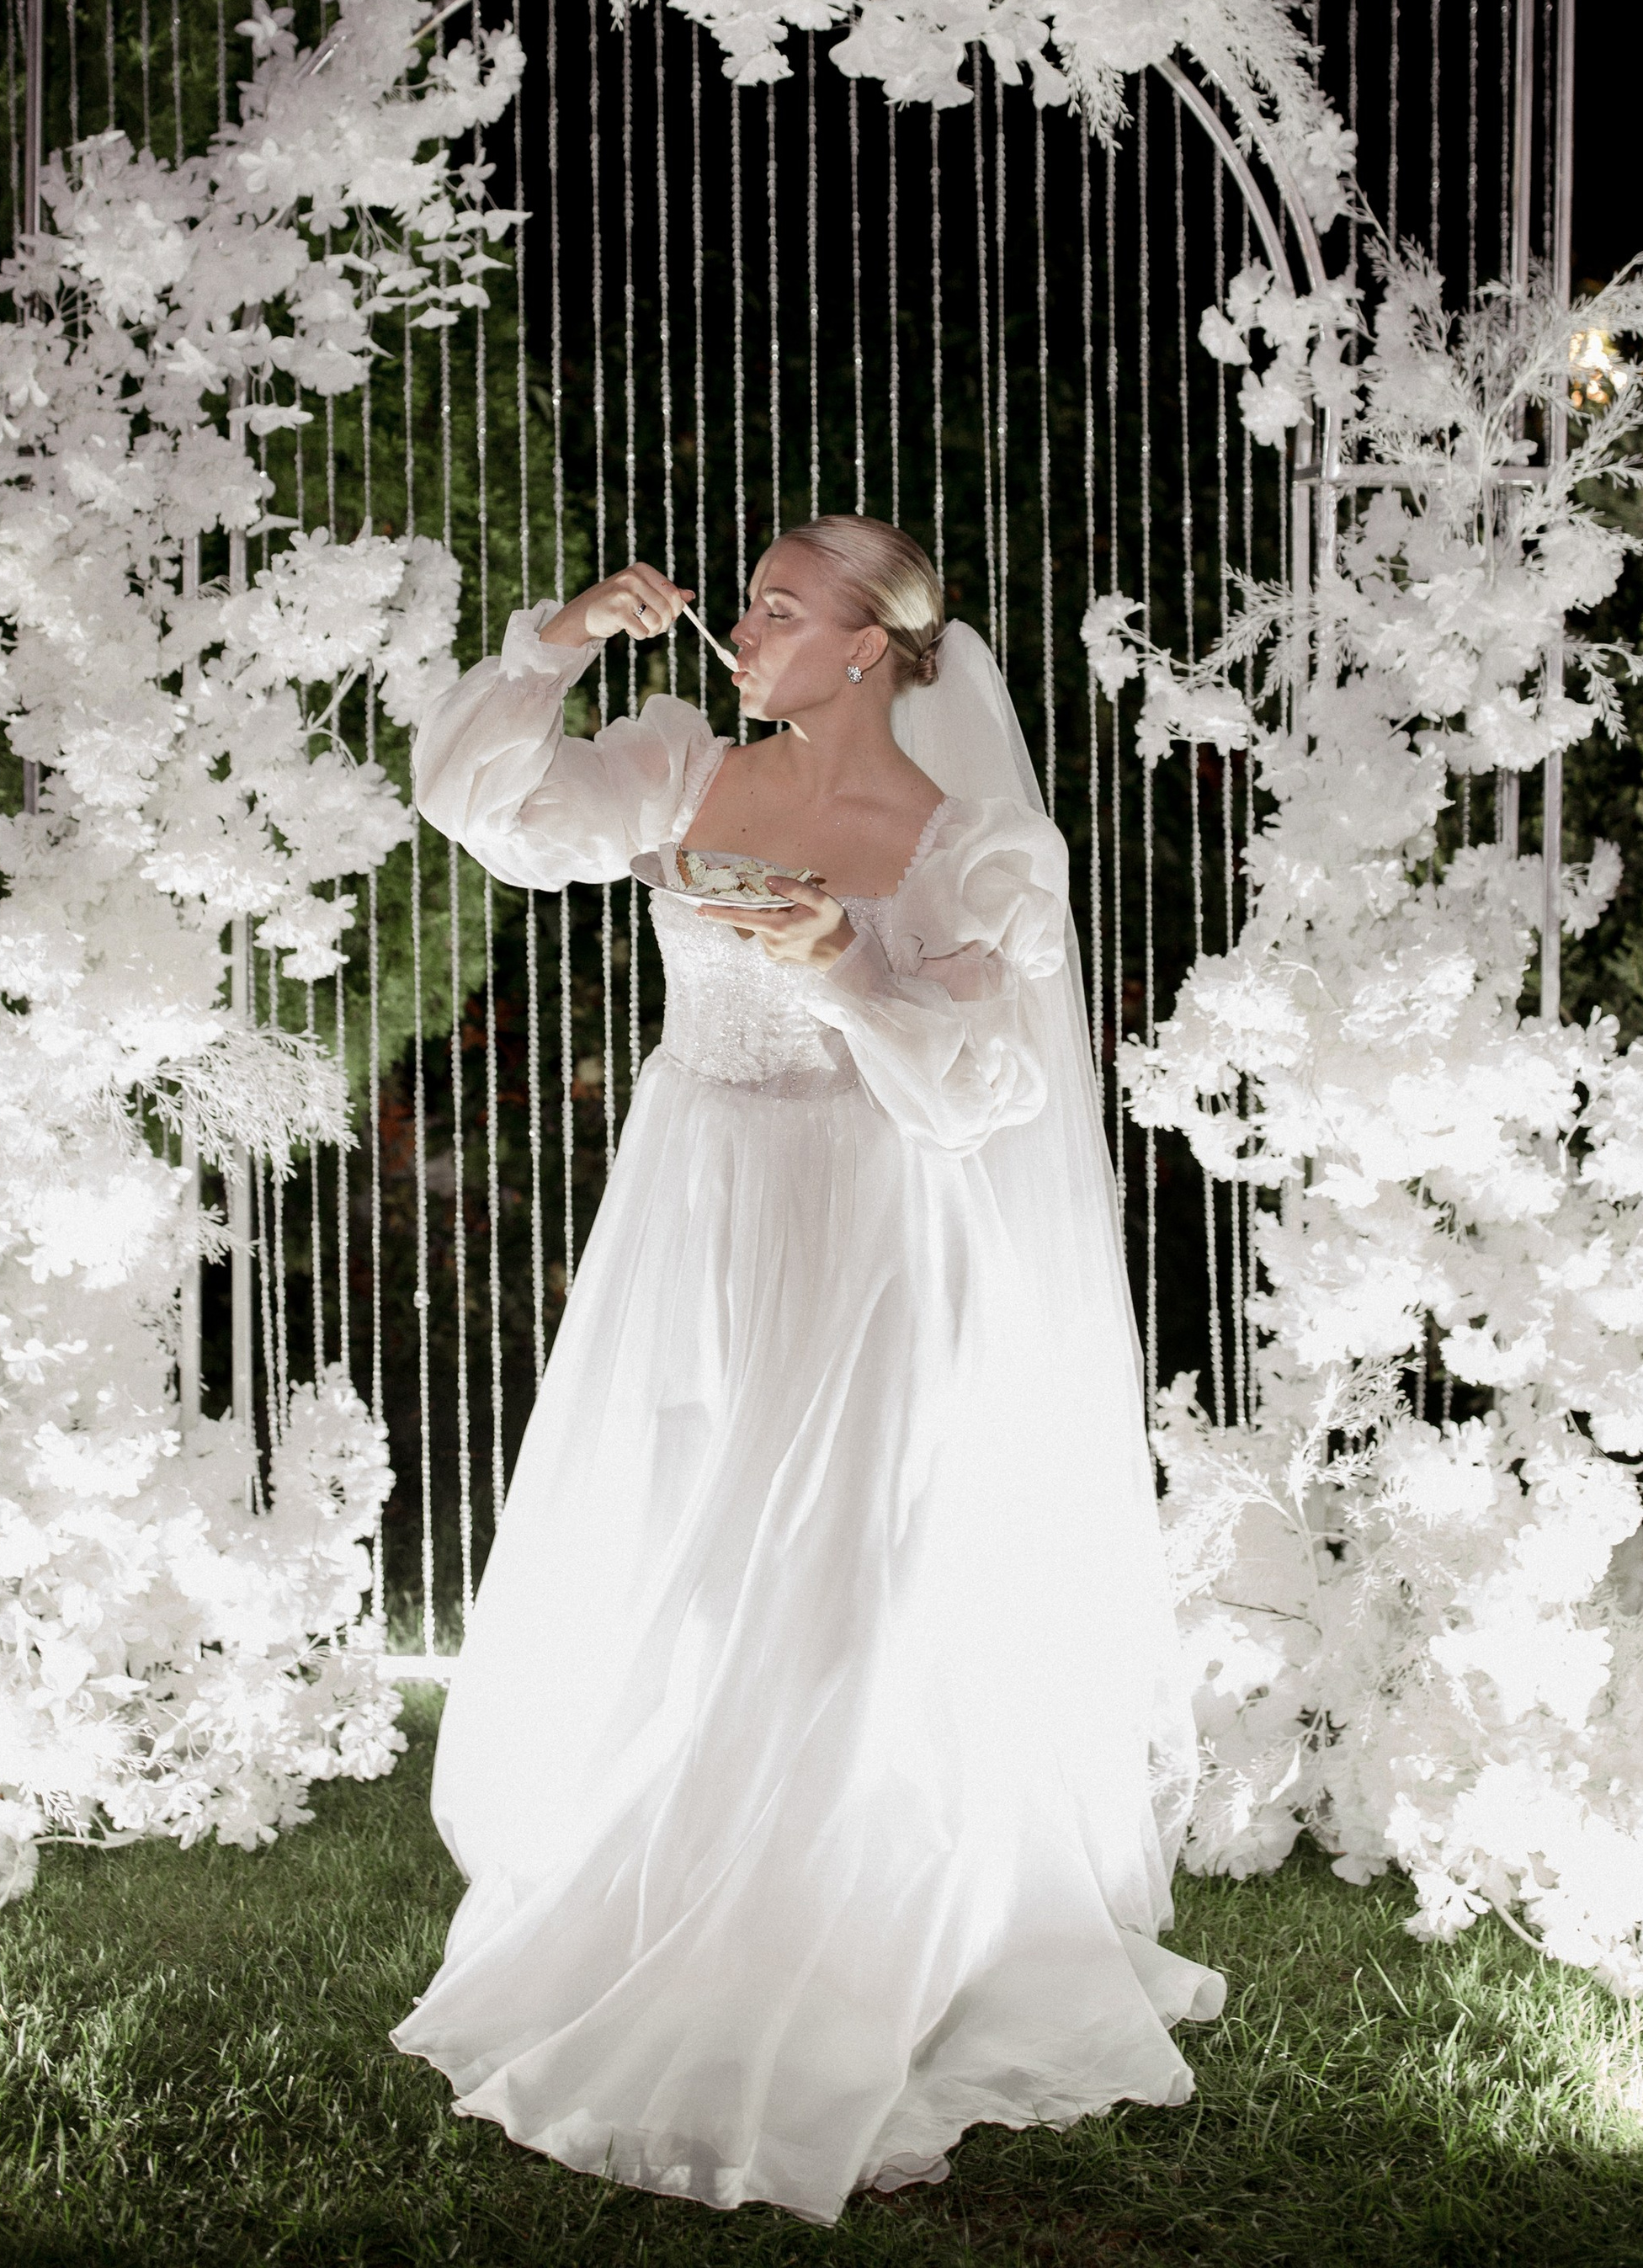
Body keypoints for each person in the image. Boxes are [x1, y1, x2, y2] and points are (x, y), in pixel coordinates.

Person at [392, 514, 1223, 2223]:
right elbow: (482, 806)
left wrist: (841, 962)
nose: (742, 626)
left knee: (845, 1566)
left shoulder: (972, 844)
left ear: (866, 649)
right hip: (692, 1203)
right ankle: (671, 1885)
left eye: (780, 607)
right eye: (744, 602)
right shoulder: (683, 772)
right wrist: (557, 642)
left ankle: (852, 1925)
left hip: (868, 1230)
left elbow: (983, 1089)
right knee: (683, 1542)